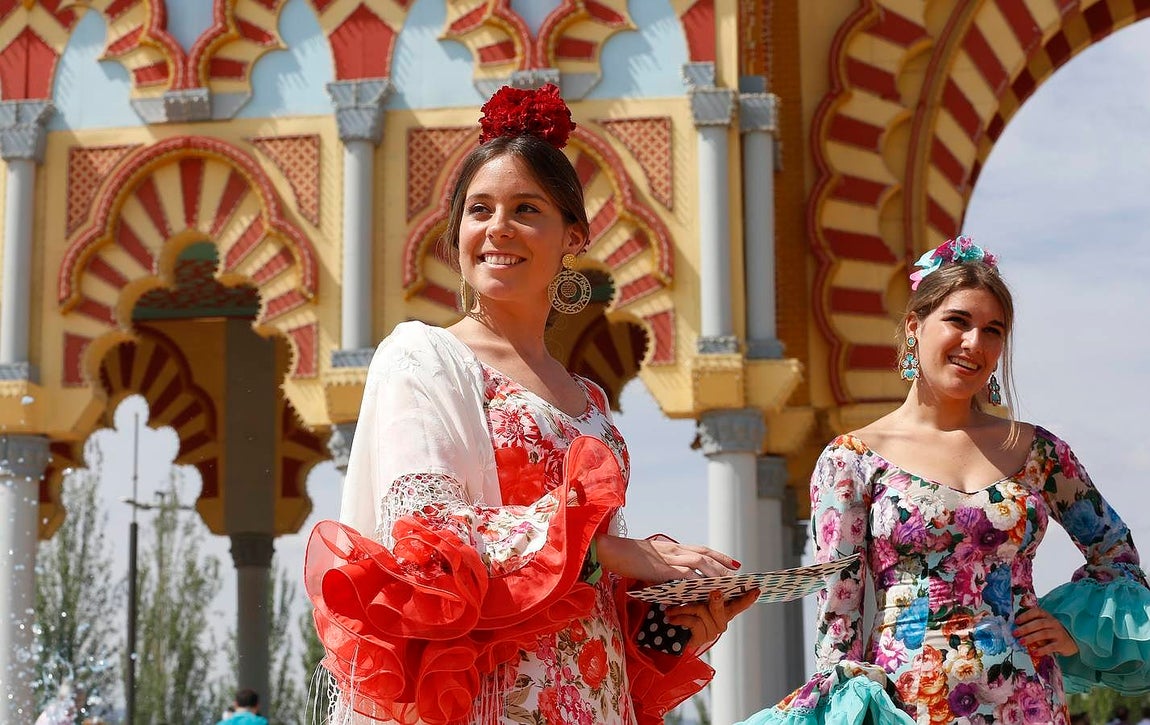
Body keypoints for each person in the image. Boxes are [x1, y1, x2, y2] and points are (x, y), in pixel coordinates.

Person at [304, 83, 757, 725]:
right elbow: (426, 541)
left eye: (526, 209)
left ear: (573, 235)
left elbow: (585, 593)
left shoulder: (589, 402)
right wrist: (613, 553)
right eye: (479, 209)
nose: (497, 229)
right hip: (489, 700)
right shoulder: (426, 360)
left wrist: (672, 618)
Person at [737, 236, 1150, 725]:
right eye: (958, 321)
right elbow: (839, 618)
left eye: (993, 330)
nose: (975, 342)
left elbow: (1116, 552)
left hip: (1028, 698)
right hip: (910, 701)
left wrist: (1068, 627)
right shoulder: (851, 460)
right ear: (915, 327)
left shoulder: (1038, 452)